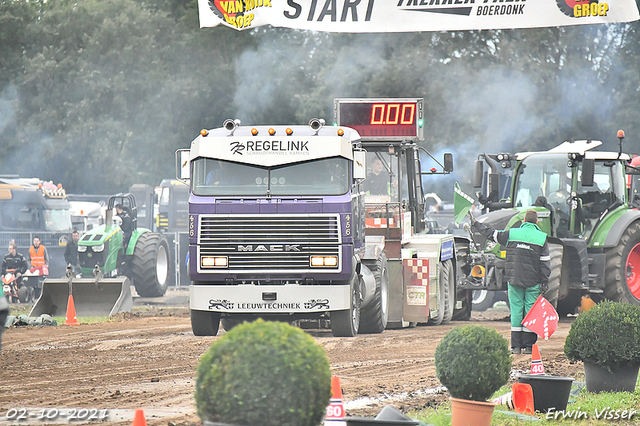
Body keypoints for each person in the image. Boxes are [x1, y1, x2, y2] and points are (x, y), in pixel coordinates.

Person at [471, 209, 550, 354]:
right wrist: (544, 282)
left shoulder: (512, 234)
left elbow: (491, 234)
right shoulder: (541, 238)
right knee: (530, 312)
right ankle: (528, 347)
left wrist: (476, 224)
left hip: (514, 279)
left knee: (516, 311)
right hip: (533, 281)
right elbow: (545, 263)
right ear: (537, 222)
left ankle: (515, 347)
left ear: (524, 221)